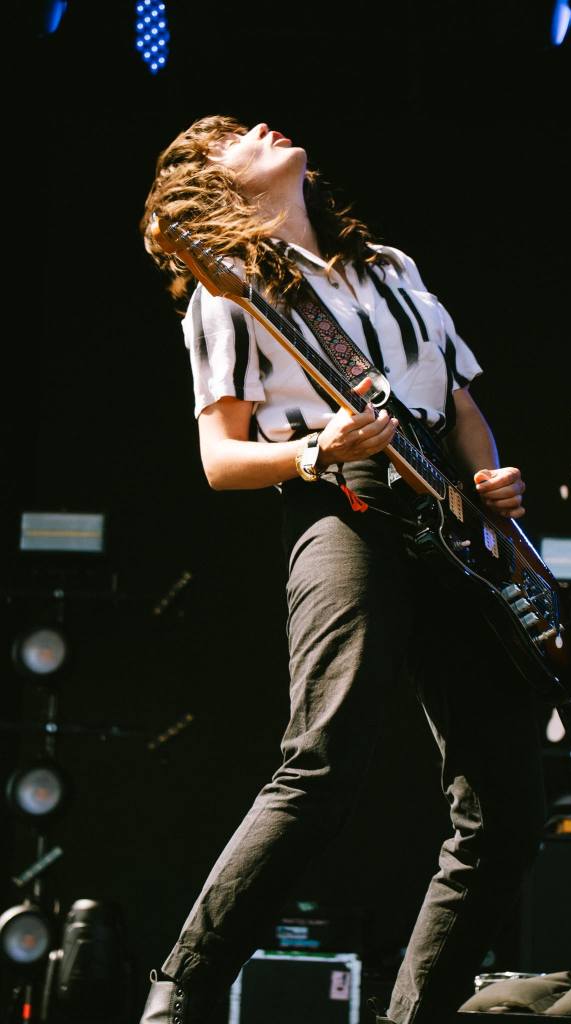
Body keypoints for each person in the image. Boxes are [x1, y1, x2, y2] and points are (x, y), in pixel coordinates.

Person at [138, 115, 546, 1024]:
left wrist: (490, 480)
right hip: (343, 502)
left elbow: (461, 405)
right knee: (321, 765)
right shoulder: (229, 288)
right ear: (214, 184)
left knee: (508, 814)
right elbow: (219, 460)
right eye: (232, 136)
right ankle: (179, 995)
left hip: (458, 523)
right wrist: (316, 449)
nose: (260, 126)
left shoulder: (392, 268)